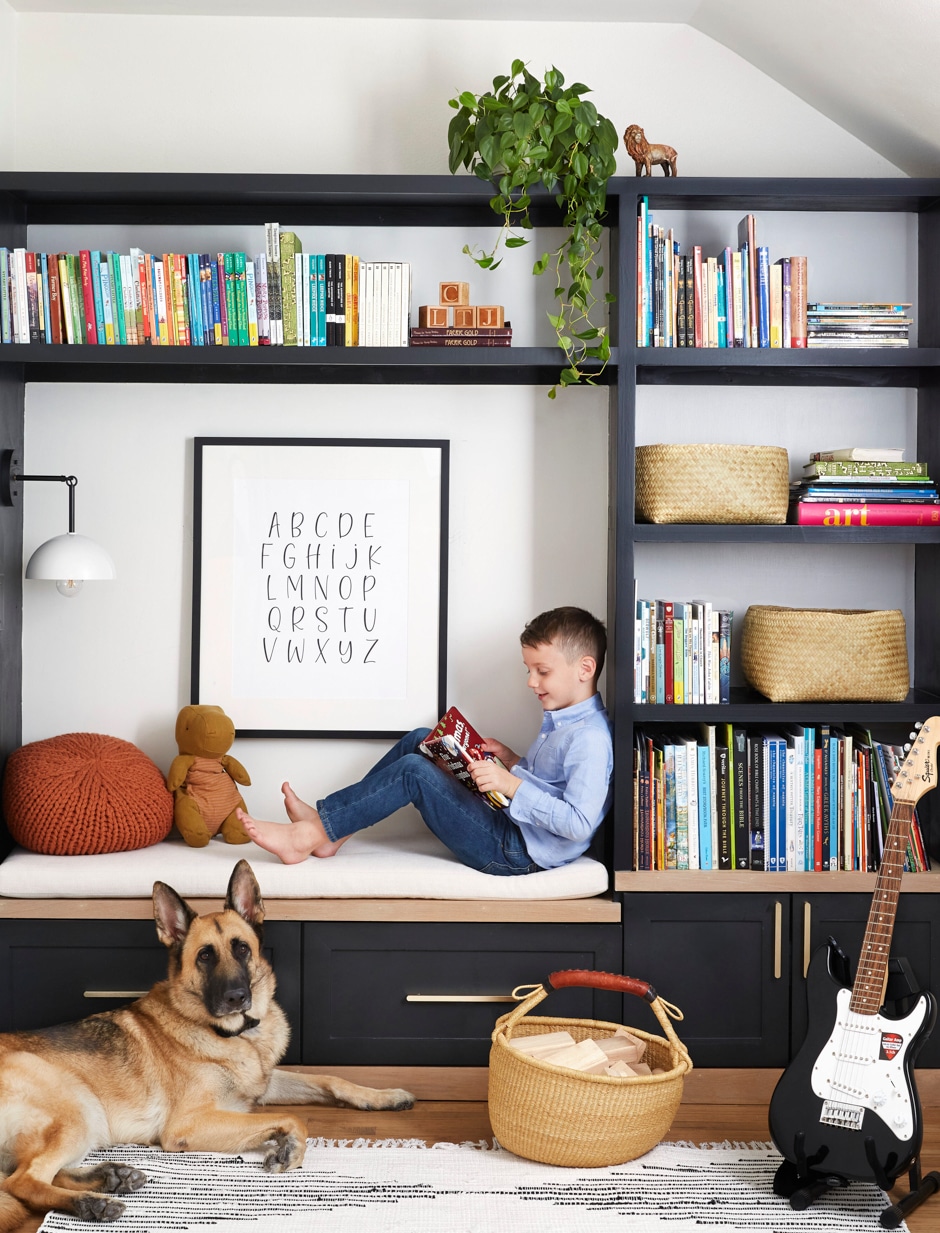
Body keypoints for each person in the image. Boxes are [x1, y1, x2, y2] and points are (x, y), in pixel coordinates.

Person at [237, 606, 613, 876]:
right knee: (423, 739)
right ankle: (331, 830)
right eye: (528, 670)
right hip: (512, 825)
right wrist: (512, 761)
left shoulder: (590, 739)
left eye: (542, 671)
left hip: (515, 851)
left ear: (585, 669)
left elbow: (579, 823)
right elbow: (552, 785)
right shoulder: (562, 722)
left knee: (414, 773)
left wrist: (512, 785)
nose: (531, 681)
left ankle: (308, 835)